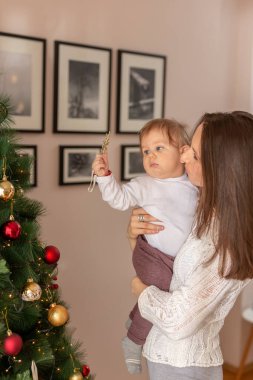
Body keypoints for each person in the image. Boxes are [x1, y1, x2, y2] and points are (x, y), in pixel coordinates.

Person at [128, 111, 253, 380]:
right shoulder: (205, 212)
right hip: (166, 358)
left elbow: (177, 320)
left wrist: (140, 289)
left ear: (221, 166)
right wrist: (135, 241)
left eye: (193, 154)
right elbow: (174, 275)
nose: (182, 157)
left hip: (185, 368)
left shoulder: (228, 240)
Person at [92, 118, 198, 374]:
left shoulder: (194, 187)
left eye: (159, 148)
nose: (151, 156)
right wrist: (105, 177)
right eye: (146, 151)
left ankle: (134, 316)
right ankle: (133, 340)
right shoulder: (145, 184)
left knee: (170, 289)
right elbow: (119, 199)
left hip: (175, 261)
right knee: (160, 288)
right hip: (151, 256)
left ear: (183, 151)